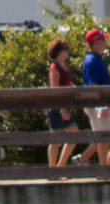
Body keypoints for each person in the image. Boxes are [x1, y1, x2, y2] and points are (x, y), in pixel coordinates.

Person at [77, 27, 110, 165]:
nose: (104, 43)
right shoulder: (92, 61)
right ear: (95, 43)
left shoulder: (96, 59)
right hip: (98, 104)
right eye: (102, 40)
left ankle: (81, 160)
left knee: (101, 138)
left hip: (100, 103)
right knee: (104, 137)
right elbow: (92, 86)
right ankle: (104, 171)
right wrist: (102, 106)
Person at [45, 38, 79, 167]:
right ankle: (53, 170)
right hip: (57, 107)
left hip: (65, 105)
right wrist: (62, 109)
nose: (67, 52)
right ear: (59, 51)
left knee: (74, 133)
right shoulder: (55, 67)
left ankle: (60, 166)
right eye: (65, 49)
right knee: (55, 139)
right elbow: (55, 88)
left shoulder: (64, 66)